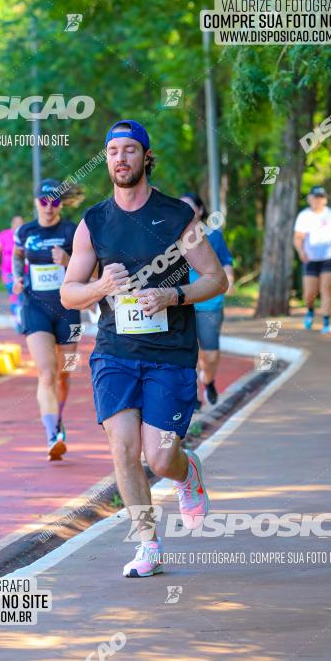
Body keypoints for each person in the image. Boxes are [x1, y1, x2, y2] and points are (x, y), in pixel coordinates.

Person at [61, 119, 227, 578]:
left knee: (159, 457)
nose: (121, 158)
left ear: (146, 157)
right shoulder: (93, 222)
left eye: (130, 150)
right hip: (115, 352)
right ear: (107, 160)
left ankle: (186, 472)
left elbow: (217, 279)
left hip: (170, 352)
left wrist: (173, 296)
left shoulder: (178, 217)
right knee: (123, 448)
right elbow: (68, 292)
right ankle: (147, 545)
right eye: (113, 151)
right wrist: (98, 287)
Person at [11, 179, 81, 461]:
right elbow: (17, 258)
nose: (48, 208)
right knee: (46, 373)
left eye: (54, 202)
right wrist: (16, 277)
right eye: (43, 201)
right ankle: (52, 434)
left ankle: (58, 418)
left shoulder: (72, 231)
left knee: (64, 376)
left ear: (60, 204)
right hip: (35, 306)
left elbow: (90, 267)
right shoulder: (25, 232)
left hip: (68, 307)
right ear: (36, 202)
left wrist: (67, 261)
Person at [180, 193, 234, 407]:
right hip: (181, 303)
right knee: (187, 353)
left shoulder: (213, 235)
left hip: (209, 303)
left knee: (209, 355)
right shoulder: (171, 236)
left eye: (190, 207)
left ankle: (208, 381)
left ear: (200, 210)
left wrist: (229, 278)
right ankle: (191, 394)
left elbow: (226, 261)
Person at [293, 186, 331, 334]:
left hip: (329, 257)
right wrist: (301, 251)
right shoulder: (304, 216)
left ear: (325, 199)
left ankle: (326, 323)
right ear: (309, 199)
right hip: (310, 258)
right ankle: (310, 311)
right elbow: (297, 238)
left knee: (326, 289)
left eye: (321, 197)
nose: (318, 200)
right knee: (309, 293)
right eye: (315, 197)